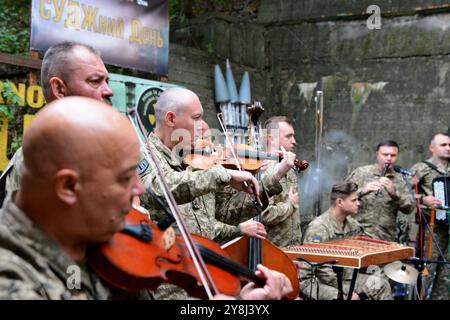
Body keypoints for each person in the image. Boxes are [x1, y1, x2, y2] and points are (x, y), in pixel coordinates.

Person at [0, 97, 293, 301]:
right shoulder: (12, 279)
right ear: (67, 187)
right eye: (125, 178)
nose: (140, 192)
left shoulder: (97, 241)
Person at [138, 87, 296, 299]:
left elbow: (227, 213)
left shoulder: (198, 162)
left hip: (208, 279)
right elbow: (162, 188)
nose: (203, 125)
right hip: (170, 286)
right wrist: (221, 174)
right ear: (171, 119)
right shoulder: (143, 155)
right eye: (196, 118)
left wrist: (272, 179)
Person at [0, 40, 114, 200]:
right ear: (59, 89)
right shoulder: (37, 160)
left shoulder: (100, 147)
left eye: (107, 81)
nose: (109, 91)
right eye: (95, 81)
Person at [300, 182, 393, 300]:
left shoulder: (352, 225)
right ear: (339, 202)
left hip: (344, 277)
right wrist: (346, 290)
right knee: (349, 297)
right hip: (315, 281)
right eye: (353, 200)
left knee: (380, 285)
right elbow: (321, 269)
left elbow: (367, 245)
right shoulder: (319, 228)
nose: (358, 203)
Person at [345, 140, 415, 241]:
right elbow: (341, 198)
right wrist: (362, 191)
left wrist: (394, 194)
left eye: (393, 155)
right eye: (385, 154)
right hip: (356, 233)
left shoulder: (402, 179)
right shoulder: (361, 173)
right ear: (377, 154)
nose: (389, 158)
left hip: (385, 236)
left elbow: (409, 208)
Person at [410, 132, 450, 300]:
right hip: (432, 228)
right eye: (443, 145)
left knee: (447, 274)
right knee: (427, 270)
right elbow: (403, 193)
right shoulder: (421, 168)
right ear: (432, 148)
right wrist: (423, 199)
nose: (448, 148)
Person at [259, 116, 301, 247]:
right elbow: (264, 215)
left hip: (292, 248)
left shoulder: (290, 168)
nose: (294, 141)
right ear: (271, 139)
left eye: (294, 136)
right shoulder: (262, 168)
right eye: (288, 136)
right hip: (272, 250)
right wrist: (290, 204)